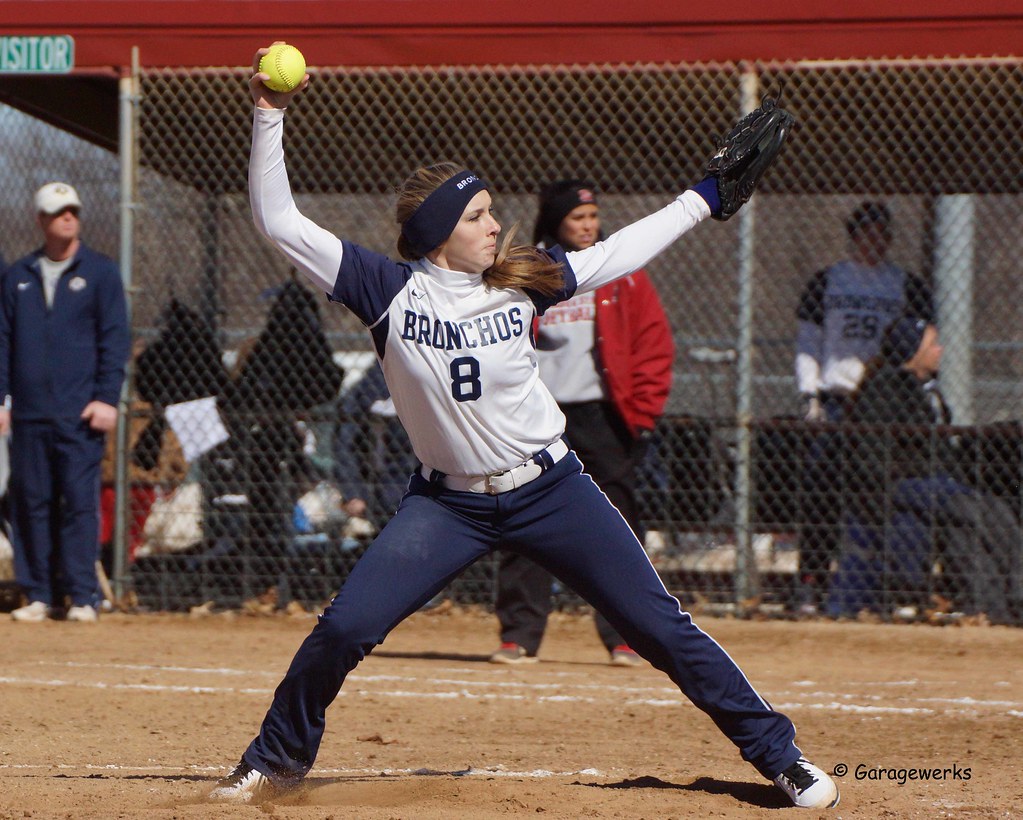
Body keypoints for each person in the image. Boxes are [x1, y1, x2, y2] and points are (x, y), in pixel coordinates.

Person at [208, 46, 839, 810]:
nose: (494, 223)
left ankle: (780, 756)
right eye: (476, 216)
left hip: (550, 489)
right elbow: (277, 219)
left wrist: (706, 194)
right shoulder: (388, 291)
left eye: (490, 211)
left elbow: (618, 249)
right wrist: (268, 113)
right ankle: (275, 760)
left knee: (656, 625)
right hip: (446, 505)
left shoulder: (523, 277)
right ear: (439, 233)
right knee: (344, 629)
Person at [490, 180, 673, 667]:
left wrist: (645, 414)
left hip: (601, 415)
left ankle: (625, 635)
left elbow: (654, 345)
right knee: (524, 516)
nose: (589, 226)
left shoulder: (621, 273)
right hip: (538, 418)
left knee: (617, 526)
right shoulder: (530, 271)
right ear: (555, 223)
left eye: (593, 217)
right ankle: (519, 635)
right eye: (578, 218)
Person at [828, 318, 1022, 622]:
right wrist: (929, 473)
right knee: (978, 509)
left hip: (930, 484)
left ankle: (991, 608)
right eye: (932, 344)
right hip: (899, 485)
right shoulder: (886, 389)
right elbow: (875, 458)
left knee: (967, 525)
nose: (940, 350)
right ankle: (1019, 593)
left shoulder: (926, 389)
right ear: (912, 351)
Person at [792, 201, 934, 614]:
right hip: (836, 401)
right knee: (821, 490)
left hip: (883, 403)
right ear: (853, 237)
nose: (875, 241)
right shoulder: (828, 281)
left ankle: (888, 589)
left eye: (882, 234)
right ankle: (812, 582)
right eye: (867, 233)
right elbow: (807, 342)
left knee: (881, 495)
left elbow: (926, 341)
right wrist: (810, 394)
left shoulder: (904, 284)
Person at [1, 182, 130, 623]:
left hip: (80, 413)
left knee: (78, 502)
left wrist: (106, 398)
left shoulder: (101, 273)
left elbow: (115, 342)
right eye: (58, 213)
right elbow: (2, 342)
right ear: (41, 220)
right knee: (30, 501)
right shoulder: (18, 275)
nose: (68, 218)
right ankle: (37, 593)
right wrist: (2, 399)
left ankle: (82, 595)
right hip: (30, 413)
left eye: (72, 210)